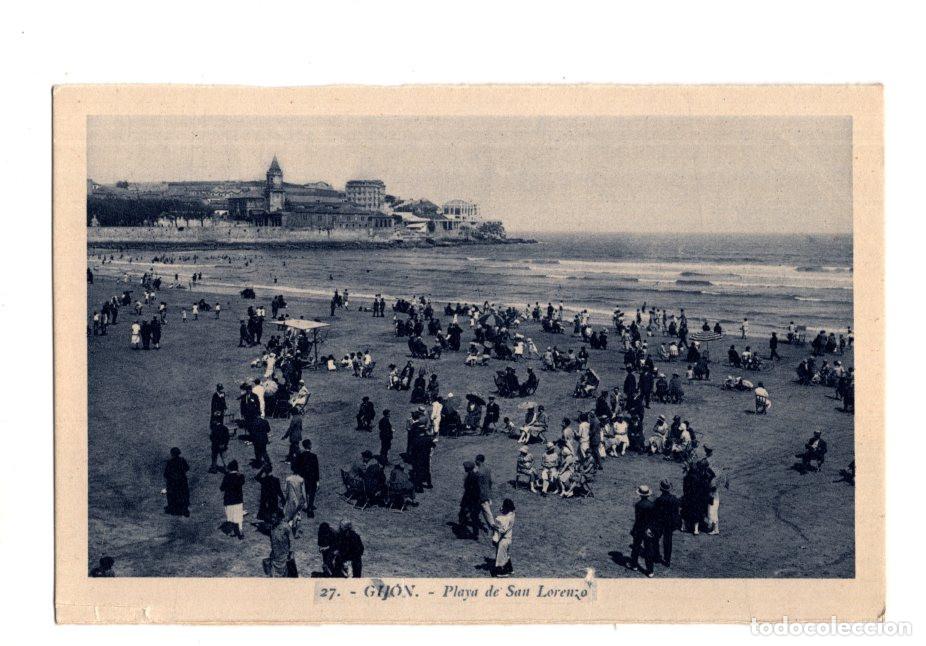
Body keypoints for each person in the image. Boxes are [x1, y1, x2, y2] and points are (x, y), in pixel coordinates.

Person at [628, 484, 658, 577]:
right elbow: (653, 519)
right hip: (648, 530)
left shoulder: (638, 505)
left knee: (636, 547)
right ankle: (650, 571)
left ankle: (634, 565)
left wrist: (634, 530)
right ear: (648, 495)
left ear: (640, 495)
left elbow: (638, 519)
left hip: (639, 529)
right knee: (648, 550)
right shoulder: (652, 505)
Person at [653, 479, 681, 567]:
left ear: (661, 489)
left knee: (656, 539)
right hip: (670, 523)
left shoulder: (658, 500)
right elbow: (677, 512)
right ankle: (667, 560)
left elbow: (655, 513)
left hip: (660, 523)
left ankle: (657, 556)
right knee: (668, 540)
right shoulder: (675, 499)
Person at [292, 439, 319, 518]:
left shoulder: (300, 456)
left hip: (303, 478)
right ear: (309, 445)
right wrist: (317, 480)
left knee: (305, 492)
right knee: (312, 493)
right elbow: (316, 469)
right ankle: (310, 506)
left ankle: (306, 506)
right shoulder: (314, 456)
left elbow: (296, 467)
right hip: (312, 478)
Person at [264, 511, 295, 577]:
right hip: (275, 553)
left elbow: (291, 539)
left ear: (279, 518)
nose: (273, 519)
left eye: (275, 517)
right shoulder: (272, 526)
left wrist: (291, 552)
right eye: (272, 517)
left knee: (284, 572)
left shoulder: (285, 526)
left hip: (284, 554)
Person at [220, 460, 246, 540]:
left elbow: (222, 488)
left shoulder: (226, 477)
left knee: (230, 516)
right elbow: (242, 482)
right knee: (239, 516)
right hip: (238, 500)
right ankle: (240, 531)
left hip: (228, 500)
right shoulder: (240, 476)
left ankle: (231, 531)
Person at [255, 463, 285, 527]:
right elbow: (279, 491)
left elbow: (257, 477)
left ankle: (268, 523)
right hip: (274, 499)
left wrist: (262, 470)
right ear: (271, 470)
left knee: (266, 512)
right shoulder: (276, 480)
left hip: (265, 499)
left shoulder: (263, 480)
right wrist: (283, 498)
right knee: (273, 512)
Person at [492, 498, 516, 577]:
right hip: (508, 538)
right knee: (505, 554)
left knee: (500, 556)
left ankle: (502, 572)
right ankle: (510, 569)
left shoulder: (507, 518)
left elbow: (502, 530)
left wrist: (495, 527)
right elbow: (503, 511)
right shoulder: (512, 513)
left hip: (504, 539)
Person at [459, 461, 483, 540]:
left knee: (464, 514)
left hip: (470, 499)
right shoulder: (474, 475)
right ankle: (475, 534)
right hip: (474, 500)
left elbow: (469, 490)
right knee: (474, 517)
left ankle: (463, 530)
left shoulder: (471, 477)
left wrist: (467, 503)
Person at [163, 447, 190, 516]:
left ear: (172, 454)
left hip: (173, 482)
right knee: (184, 493)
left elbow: (166, 474)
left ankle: (171, 507)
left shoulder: (170, 462)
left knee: (170, 493)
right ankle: (185, 509)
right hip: (182, 480)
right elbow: (187, 468)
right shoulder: (182, 460)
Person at [475, 454, 495, 533]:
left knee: (487, 512)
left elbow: (477, 485)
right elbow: (490, 482)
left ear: (478, 461)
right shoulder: (487, 469)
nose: (475, 461)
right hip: (486, 493)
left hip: (481, 495)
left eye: (476, 460)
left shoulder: (479, 472)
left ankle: (493, 528)